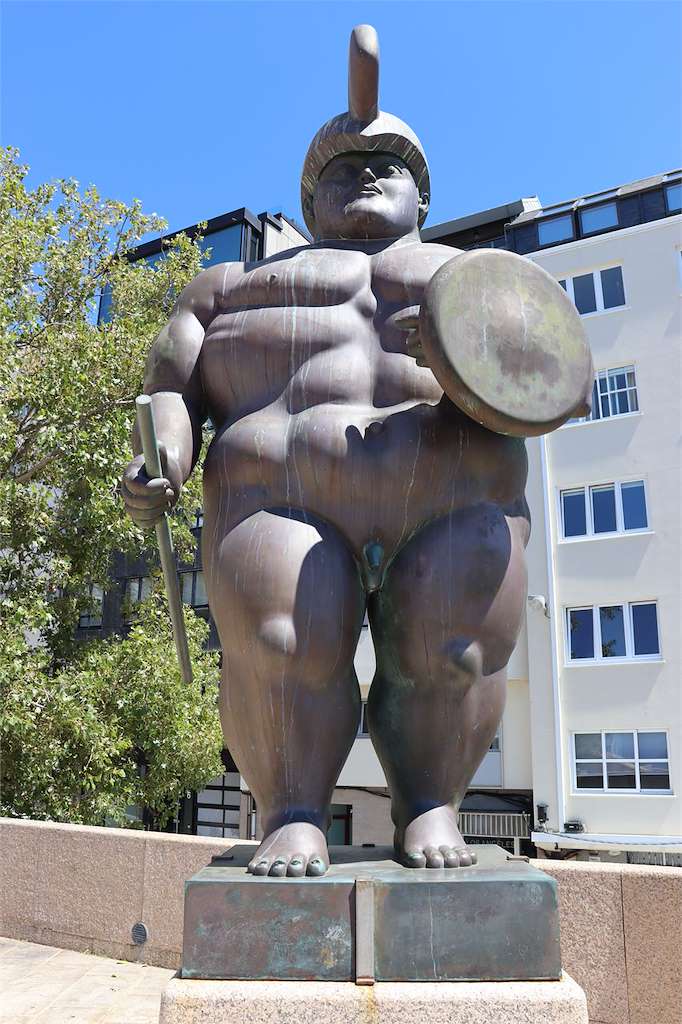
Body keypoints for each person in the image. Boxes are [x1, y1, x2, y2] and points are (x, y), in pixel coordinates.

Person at [122, 26, 538, 877]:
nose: (367, 177)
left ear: (423, 197)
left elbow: (554, 381)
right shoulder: (232, 286)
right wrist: (165, 458)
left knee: (451, 650)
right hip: (278, 494)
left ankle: (430, 806)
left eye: (390, 167)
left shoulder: (483, 279)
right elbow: (172, 386)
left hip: (456, 494)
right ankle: (293, 811)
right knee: (281, 639)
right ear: (309, 203)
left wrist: (459, 356)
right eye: (343, 169)